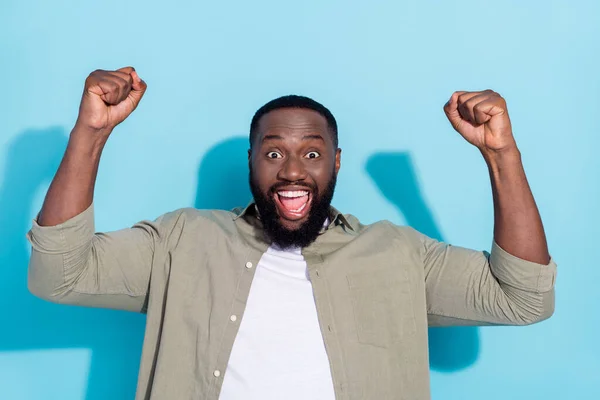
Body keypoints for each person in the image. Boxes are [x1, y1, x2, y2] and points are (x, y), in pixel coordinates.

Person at [26, 67, 557, 400]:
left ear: (336, 163)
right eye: (274, 152)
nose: (293, 171)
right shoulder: (182, 241)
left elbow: (523, 298)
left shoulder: (399, 254)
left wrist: (499, 153)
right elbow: (58, 276)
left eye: (312, 153)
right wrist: (91, 133)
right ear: (252, 162)